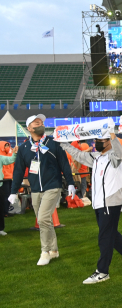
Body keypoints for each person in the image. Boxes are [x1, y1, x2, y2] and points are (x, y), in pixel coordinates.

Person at [61, 128, 122, 284]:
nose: (96, 143)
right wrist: (63, 143)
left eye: (100, 141)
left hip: (110, 202)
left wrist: (112, 134)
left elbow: (118, 150)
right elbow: (78, 155)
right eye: (96, 140)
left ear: (109, 142)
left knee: (104, 237)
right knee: (111, 234)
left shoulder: (115, 157)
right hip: (99, 202)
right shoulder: (96, 157)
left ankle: (102, 271)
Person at [9, 114, 76, 266]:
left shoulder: (53, 143)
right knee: (45, 220)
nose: (40, 123)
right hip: (35, 189)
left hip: (52, 186)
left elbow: (64, 164)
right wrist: (14, 191)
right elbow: (19, 170)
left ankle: (45, 251)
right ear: (29, 128)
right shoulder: (25, 148)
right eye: (36, 122)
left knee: (43, 218)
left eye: (41, 122)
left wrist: (70, 183)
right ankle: (54, 250)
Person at [0, 144, 18, 236]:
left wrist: (14, 154)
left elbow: (10, 160)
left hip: (0, 185)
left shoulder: (0, 158)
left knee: (1, 208)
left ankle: (0, 229)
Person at [1, 142, 15, 220]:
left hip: (10, 177)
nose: (7, 147)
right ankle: (4, 212)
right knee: (5, 195)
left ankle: (6, 211)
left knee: (9, 194)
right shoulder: (1, 156)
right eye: (5, 146)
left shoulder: (10, 154)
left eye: (8, 145)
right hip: (3, 178)